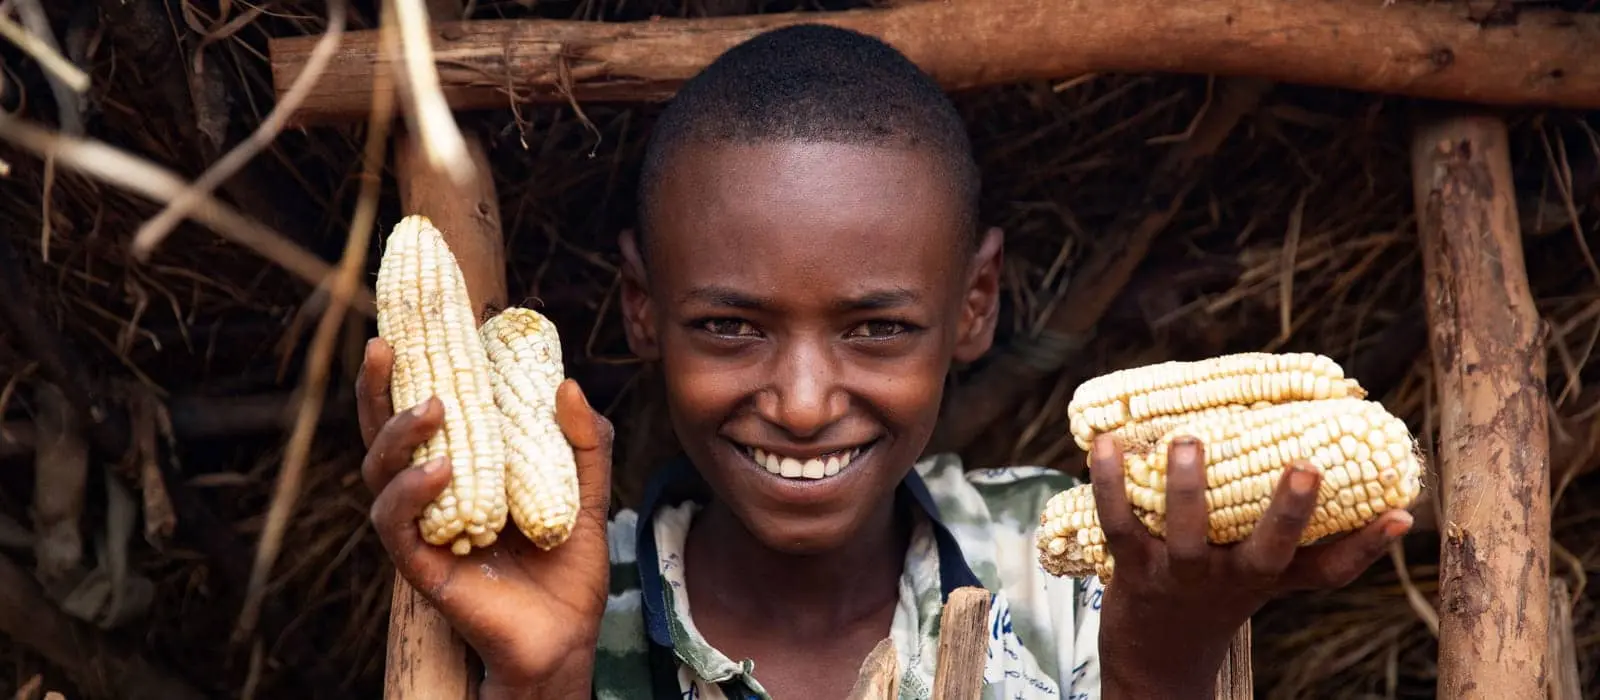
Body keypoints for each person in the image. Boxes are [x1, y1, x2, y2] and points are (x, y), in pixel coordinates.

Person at [355, 23, 1415, 700]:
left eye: (875, 329)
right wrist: (541, 683)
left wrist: (1165, 659)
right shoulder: (564, 601)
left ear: (975, 306)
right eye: (732, 326)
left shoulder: (1092, 578)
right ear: (644, 309)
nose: (805, 403)